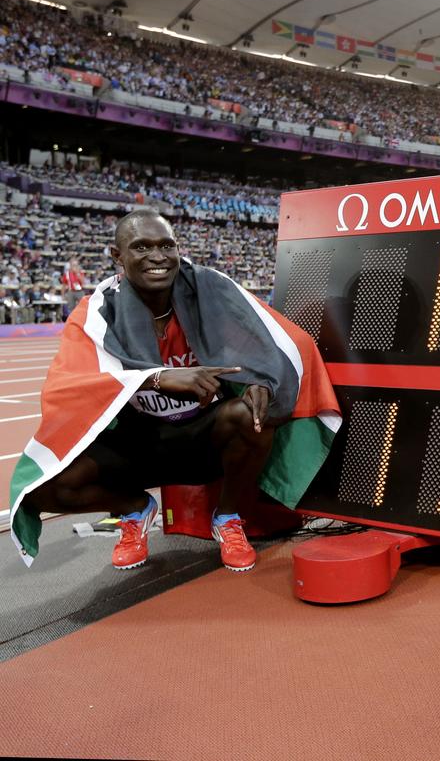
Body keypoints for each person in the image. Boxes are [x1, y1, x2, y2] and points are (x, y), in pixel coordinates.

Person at [9, 210, 341, 572]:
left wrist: (261, 380)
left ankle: (229, 519)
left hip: (202, 438)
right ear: (117, 257)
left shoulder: (209, 290)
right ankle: (134, 508)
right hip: (137, 443)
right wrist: (157, 377)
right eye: (141, 247)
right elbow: (68, 386)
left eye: (167, 245)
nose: (157, 256)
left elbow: (279, 341)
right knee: (40, 487)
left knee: (252, 415)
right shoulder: (98, 310)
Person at [59, 257, 85, 321]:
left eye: (76, 265)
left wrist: (77, 274)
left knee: (83, 306)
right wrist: (62, 295)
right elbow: (64, 285)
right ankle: (72, 321)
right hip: (71, 291)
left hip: (80, 291)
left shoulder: (80, 272)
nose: (74, 266)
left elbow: (83, 282)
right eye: (73, 265)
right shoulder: (67, 274)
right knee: (71, 307)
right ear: (70, 265)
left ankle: (82, 320)